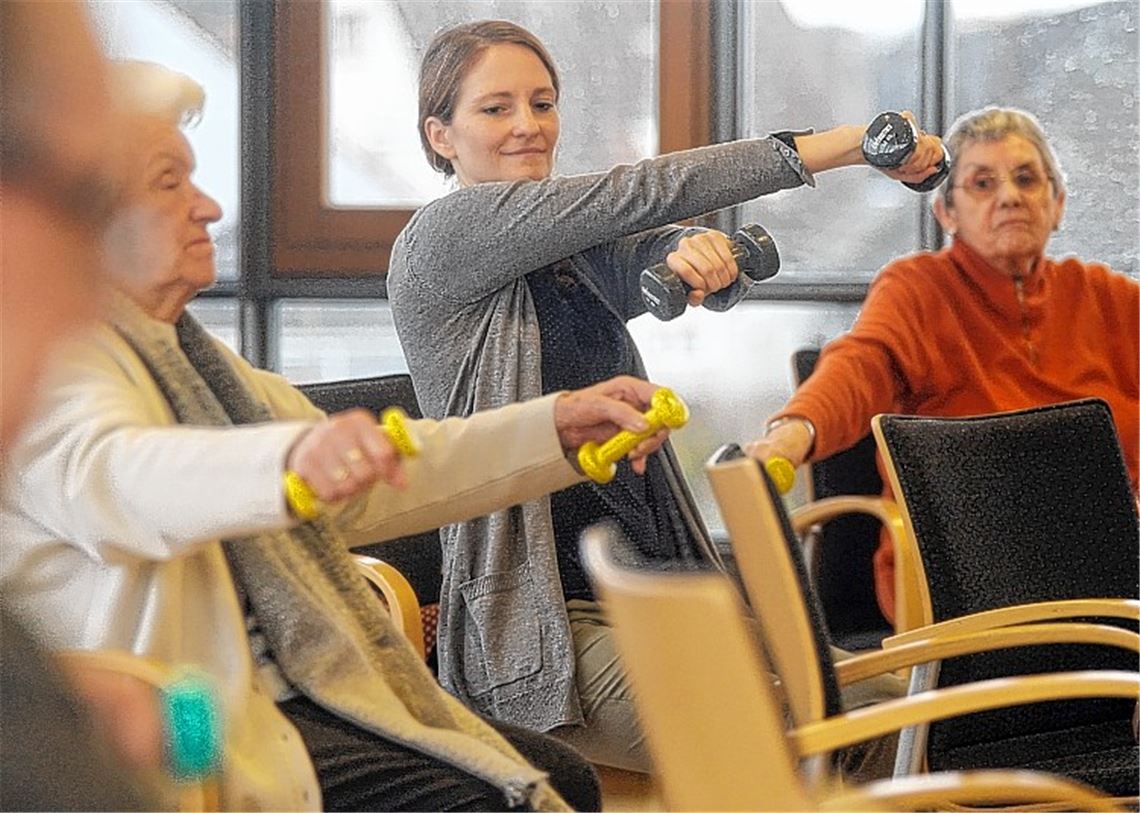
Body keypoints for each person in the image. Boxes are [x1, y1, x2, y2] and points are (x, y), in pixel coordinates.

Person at [0, 60, 693, 813]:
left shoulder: (191, 359)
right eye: (170, 184)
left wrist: (555, 427)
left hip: (284, 698)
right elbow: (124, 478)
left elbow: (384, 473)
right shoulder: (49, 364)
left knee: (563, 779)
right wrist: (289, 461)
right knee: (493, 799)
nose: (205, 207)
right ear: (81, 217)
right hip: (180, 738)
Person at [387, 19, 945, 774]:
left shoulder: (564, 250)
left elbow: (640, 242)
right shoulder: (439, 239)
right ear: (441, 135)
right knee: (858, 740)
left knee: (919, 708)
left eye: (543, 103)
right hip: (543, 643)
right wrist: (845, 145)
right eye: (496, 108)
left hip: (661, 592)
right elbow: (632, 196)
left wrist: (687, 252)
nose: (528, 126)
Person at [745, 106, 1139, 624]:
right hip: (965, 584)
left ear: (1057, 203)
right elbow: (863, 364)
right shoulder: (918, 289)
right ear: (947, 213)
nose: (1009, 196)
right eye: (981, 183)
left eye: (1027, 179)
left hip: (1115, 578)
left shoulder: (1108, 298)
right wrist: (791, 434)